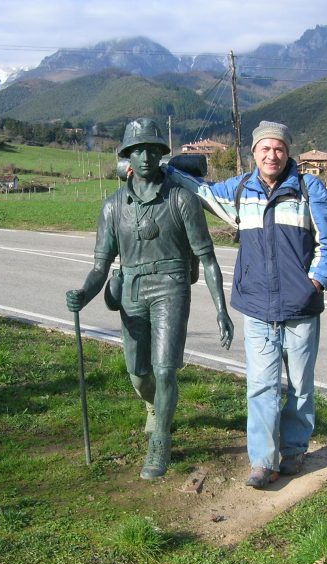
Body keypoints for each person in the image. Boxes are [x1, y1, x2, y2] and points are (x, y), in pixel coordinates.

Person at [166, 121, 327, 488]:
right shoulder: (242, 188)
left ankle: (294, 449)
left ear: (288, 152)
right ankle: (263, 462)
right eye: (264, 148)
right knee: (261, 385)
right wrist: (165, 167)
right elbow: (205, 193)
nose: (272, 155)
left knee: (300, 386)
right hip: (258, 307)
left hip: (301, 308)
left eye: (278, 148)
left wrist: (314, 283)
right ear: (254, 152)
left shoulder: (309, 189)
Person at [66, 118, 234, 480]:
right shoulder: (113, 207)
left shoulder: (181, 199)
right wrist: (84, 291)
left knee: (164, 369)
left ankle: (160, 441)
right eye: (137, 150)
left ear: (161, 154)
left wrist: (222, 309)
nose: (144, 156)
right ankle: (154, 407)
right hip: (132, 290)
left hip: (171, 285)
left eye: (152, 149)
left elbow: (207, 259)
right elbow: (100, 265)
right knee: (139, 374)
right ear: (127, 157)